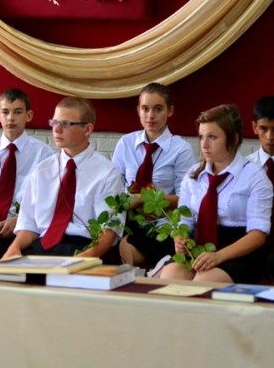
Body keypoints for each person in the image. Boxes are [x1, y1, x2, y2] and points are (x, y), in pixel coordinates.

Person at [159, 105, 272, 283]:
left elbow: (258, 234)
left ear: (233, 138)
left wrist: (218, 256)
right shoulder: (193, 174)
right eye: (201, 137)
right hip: (199, 249)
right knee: (170, 276)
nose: (204, 145)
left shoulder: (254, 177)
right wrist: (180, 237)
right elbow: (185, 220)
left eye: (212, 137)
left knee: (204, 282)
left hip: (238, 252)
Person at [3, 97, 125, 259]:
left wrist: (82, 260)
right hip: (45, 244)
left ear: (87, 129)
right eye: (54, 123)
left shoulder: (107, 173)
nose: (57, 129)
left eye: (66, 124)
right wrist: (14, 249)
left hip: (85, 246)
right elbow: (29, 225)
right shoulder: (42, 170)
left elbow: (108, 231)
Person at [111, 83, 196, 266]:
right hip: (128, 219)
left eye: (158, 109)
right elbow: (113, 188)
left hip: (162, 224)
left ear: (170, 111)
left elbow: (187, 198)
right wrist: (132, 202)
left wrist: (149, 201)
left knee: (128, 248)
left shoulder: (181, 149)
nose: (150, 115)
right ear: (138, 110)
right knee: (107, 243)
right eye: (145, 109)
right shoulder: (126, 143)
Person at [0, 88, 54, 260]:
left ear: (29, 115)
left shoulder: (44, 154)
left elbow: (48, 199)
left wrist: (19, 220)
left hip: (24, 224)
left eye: (17, 112)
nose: (11, 118)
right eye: (5, 112)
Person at [247, 96, 274, 275]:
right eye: (264, 129)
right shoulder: (245, 167)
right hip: (252, 241)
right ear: (254, 127)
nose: (270, 137)